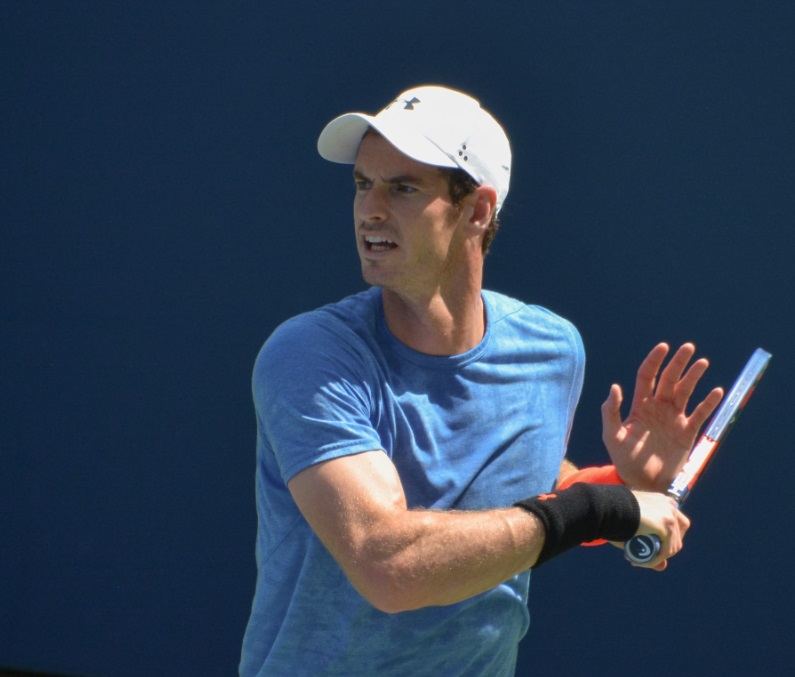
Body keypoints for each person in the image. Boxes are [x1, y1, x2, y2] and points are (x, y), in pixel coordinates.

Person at [238, 85, 723, 676]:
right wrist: (598, 510)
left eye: (403, 188)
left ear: (476, 210)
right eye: (363, 184)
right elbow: (388, 565)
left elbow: (522, 482)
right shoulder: (310, 356)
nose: (370, 209)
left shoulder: (551, 350)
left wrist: (621, 484)